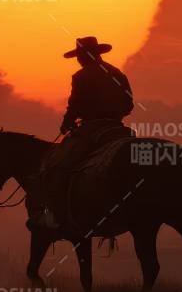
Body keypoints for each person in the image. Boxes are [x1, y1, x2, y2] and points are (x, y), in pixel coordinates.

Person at [37, 37, 135, 229]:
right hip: (117, 128)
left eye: (80, 56)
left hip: (92, 128)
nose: (79, 60)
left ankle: (57, 215)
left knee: (58, 164)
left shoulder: (81, 76)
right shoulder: (117, 73)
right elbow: (129, 104)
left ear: (85, 56)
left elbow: (74, 105)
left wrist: (66, 123)